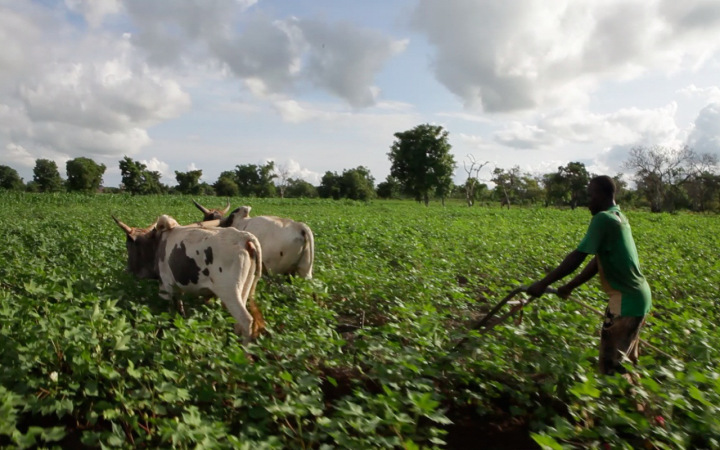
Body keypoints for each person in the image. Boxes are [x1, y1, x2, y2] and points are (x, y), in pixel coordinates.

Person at [527, 175, 652, 375]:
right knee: (625, 364)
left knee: (611, 368)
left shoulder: (603, 218)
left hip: (626, 301)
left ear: (603, 195)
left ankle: (622, 401)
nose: (588, 200)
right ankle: (635, 401)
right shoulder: (618, 216)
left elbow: (578, 256)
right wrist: (569, 286)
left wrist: (542, 283)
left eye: (590, 194)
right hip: (637, 298)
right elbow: (597, 261)